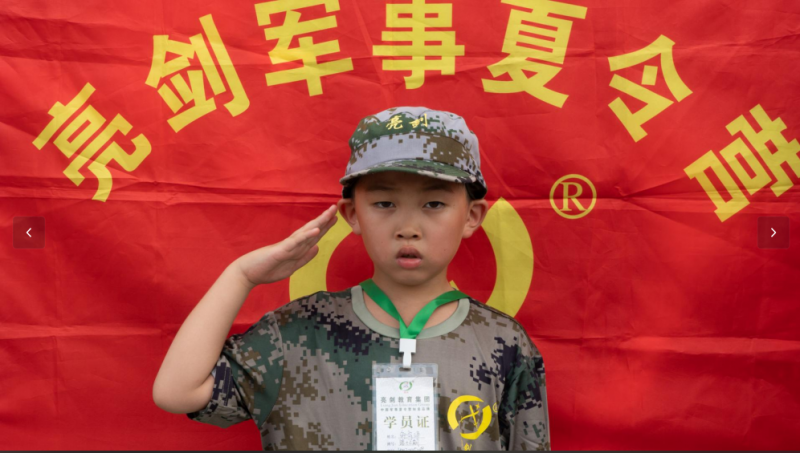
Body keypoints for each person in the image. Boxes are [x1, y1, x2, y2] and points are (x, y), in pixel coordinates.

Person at [152, 106, 550, 450]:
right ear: (353, 215)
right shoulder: (298, 332)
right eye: (384, 203)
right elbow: (177, 393)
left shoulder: (503, 342)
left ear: (472, 216)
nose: (408, 228)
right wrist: (239, 276)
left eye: (433, 203)